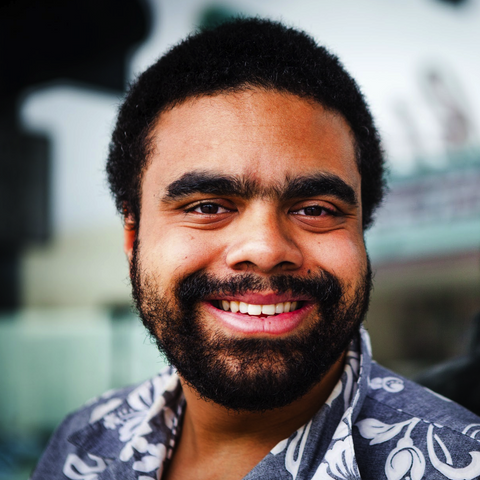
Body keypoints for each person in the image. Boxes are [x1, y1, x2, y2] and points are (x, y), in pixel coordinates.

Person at [32, 18, 480, 480]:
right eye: (208, 206)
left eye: (315, 210)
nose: (266, 249)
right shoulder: (83, 441)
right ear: (133, 236)